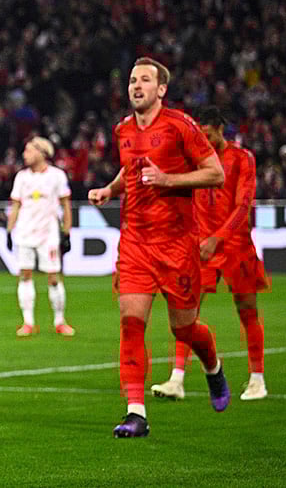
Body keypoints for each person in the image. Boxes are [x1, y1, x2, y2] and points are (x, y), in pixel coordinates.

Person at [88, 57, 228, 438]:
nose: (136, 86)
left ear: (161, 89)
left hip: (177, 245)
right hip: (135, 242)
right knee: (131, 324)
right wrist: (109, 189)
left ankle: (213, 368)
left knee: (184, 330)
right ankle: (136, 413)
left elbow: (216, 172)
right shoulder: (122, 130)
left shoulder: (181, 125)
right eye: (133, 80)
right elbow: (129, 171)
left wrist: (168, 179)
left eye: (145, 80)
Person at [151, 106, 270, 401]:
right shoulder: (192, 160)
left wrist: (219, 238)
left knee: (247, 309)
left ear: (219, 128)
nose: (203, 140)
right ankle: (176, 380)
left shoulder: (242, 159)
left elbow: (244, 206)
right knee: (186, 315)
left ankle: (257, 379)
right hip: (200, 248)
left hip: (235, 246)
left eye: (207, 134)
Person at [5, 137, 75, 337]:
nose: (24, 154)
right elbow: (16, 206)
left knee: (53, 277)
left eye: (28, 150)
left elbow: (65, 205)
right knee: (25, 274)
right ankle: (28, 322)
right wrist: (10, 231)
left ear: (41, 152)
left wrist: (66, 232)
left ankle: (59, 321)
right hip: (25, 233)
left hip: (49, 233)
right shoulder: (21, 177)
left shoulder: (57, 176)